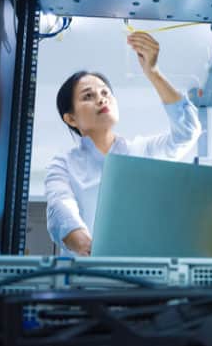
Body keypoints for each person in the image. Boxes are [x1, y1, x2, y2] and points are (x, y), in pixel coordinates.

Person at [44, 32, 202, 256]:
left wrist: (153, 72)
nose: (101, 99)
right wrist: (89, 247)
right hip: (89, 279)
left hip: (147, 276)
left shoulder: (142, 151)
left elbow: (188, 132)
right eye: (88, 96)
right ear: (70, 118)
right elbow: (60, 207)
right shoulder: (63, 164)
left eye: (105, 93)